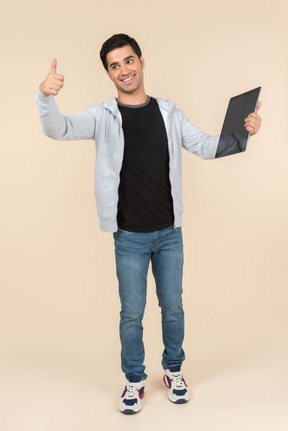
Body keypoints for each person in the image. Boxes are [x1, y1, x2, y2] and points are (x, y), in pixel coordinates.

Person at [35, 33, 262, 415]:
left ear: (141, 61)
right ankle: (134, 380)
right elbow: (58, 128)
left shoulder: (169, 113)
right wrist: (46, 97)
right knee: (132, 312)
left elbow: (207, 146)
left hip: (170, 233)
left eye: (128, 61)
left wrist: (244, 133)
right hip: (129, 237)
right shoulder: (102, 115)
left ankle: (173, 371)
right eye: (114, 65)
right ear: (108, 74)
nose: (123, 70)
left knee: (173, 306)